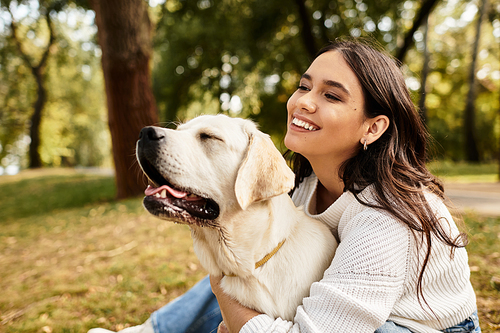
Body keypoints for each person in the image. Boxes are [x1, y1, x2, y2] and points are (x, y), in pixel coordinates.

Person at [89, 38, 480, 333]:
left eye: (330, 95)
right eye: (304, 86)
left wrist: (238, 320)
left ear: (373, 127)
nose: (303, 102)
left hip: (415, 326)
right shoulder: (306, 186)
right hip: (353, 310)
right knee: (248, 262)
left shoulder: (385, 219)